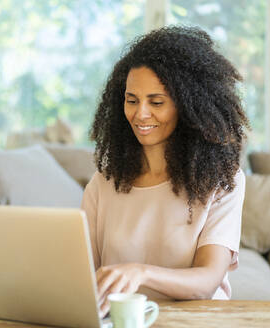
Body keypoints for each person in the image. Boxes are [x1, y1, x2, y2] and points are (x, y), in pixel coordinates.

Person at [81, 26, 249, 317]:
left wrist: (142, 274)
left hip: (198, 322)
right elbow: (82, 276)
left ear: (188, 107)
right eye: (131, 100)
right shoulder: (103, 183)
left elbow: (207, 281)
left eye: (156, 102)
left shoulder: (222, 181)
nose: (140, 114)